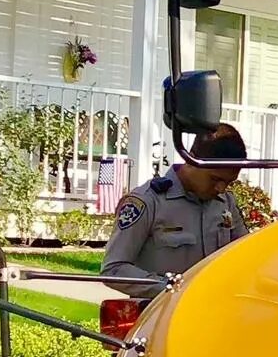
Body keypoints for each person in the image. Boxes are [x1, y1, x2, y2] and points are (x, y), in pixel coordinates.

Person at [102, 125, 252, 300]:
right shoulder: (147, 202)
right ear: (192, 160)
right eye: (215, 179)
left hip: (214, 312)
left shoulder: (225, 203)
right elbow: (113, 269)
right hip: (162, 317)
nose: (220, 188)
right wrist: (170, 288)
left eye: (228, 182)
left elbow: (245, 258)